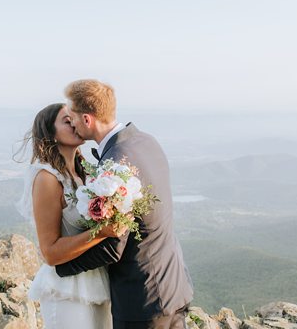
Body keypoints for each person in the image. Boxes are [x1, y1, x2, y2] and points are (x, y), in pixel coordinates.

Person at [55, 79, 194, 329]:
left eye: (72, 117)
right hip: (173, 284)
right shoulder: (145, 141)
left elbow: (112, 246)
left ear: (87, 119)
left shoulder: (116, 165)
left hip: (142, 298)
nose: (72, 124)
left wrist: (59, 267)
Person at [15, 103, 123, 328]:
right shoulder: (47, 178)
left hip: (95, 281)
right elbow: (50, 253)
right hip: (66, 290)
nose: (75, 122)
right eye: (67, 120)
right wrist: (101, 233)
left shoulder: (84, 172)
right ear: (50, 133)